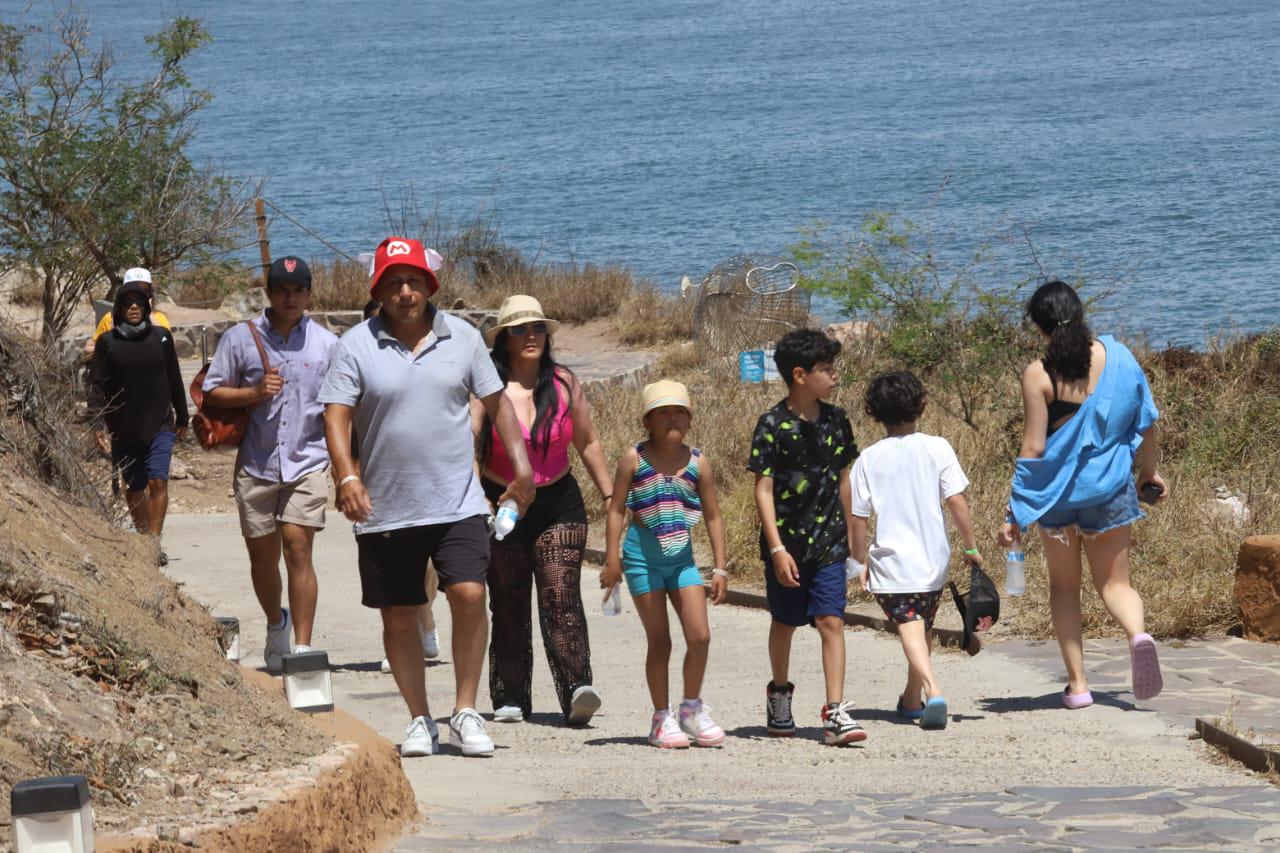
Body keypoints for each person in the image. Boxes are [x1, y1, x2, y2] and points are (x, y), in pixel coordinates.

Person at [320, 236, 534, 759]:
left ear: (430, 285)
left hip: (457, 499)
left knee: (467, 594)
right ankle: (420, 718)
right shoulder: (354, 346)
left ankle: (464, 709)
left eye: (414, 280)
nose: (406, 291)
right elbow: (335, 416)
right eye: (393, 283)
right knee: (398, 614)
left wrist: (522, 469)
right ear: (379, 290)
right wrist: (347, 477)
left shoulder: (462, 338)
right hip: (385, 506)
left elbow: (498, 404)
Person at [999, 280, 1166, 707]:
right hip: (1110, 488)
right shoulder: (1120, 358)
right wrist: (1149, 473)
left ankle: (1078, 685)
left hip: (1057, 496)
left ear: (1040, 328)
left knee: (1064, 587)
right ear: (1080, 312)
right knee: (1115, 583)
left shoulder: (1038, 374)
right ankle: (1137, 634)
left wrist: (1015, 508)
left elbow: (1034, 447)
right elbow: (1146, 421)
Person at [473, 295, 614, 726]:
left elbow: (587, 441)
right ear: (504, 339)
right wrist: (476, 498)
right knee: (510, 601)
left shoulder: (565, 383)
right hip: (503, 503)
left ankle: (576, 689)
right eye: (519, 329)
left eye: (536, 328)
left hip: (559, 502)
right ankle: (510, 695)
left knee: (561, 594)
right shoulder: (488, 387)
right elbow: (469, 443)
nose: (530, 336)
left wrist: (611, 497)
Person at [201, 256, 337, 672]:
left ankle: (301, 649)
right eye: (282, 289)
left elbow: (340, 405)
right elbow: (211, 393)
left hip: (309, 462)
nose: (290, 297)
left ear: (309, 293)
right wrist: (254, 392)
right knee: (263, 558)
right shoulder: (241, 339)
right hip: (257, 463)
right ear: (269, 293)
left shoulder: (327, 344)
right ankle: (276, 622)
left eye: (298, 290)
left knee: (299, 548)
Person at [748, 328, 865, 746]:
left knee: (831, 620)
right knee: (785, 622)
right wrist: (777, 547)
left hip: (830, 541)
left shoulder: (837, 421)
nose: (834, 377)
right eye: (826, 370)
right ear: (799, 375)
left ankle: (835, 712)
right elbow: (762, 488)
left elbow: (845, 480)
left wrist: (855, 540)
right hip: (787, 546)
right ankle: (779, 694)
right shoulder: (772, 424)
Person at [848, 371, 981, 730]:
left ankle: (933, 691)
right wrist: (970, 546)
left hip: (893, 562)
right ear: (920, 403)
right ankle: (911, 700)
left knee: (909, 626)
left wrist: (857, 562)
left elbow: (858, 518)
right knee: (921, 629)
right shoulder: (937, 446)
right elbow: (956, 501)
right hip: (934, 558)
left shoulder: (868, 459)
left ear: (874, 412)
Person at [601, 380, 729, 749]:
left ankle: (691, 710)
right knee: (660, 641)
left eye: (679, 412)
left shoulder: (698, 462)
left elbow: (713, 515)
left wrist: (719, 567)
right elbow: (616, 509)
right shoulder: (633, 458)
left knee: (700, 636)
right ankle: (661, 718)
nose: (672, 419)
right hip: (643, 560)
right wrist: (613, 559)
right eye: (663, 413)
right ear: (649, 421)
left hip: (682, 560)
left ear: (689, 420)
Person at [360, 299, 441, 674]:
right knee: (387, 564)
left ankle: (424, 620)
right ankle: (399, 636)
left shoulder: (423, 359)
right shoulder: (360, 364)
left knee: (424, 561)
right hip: (378, 480)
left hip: (427, 477)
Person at [89, 280, 188, 563]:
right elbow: (97, 386)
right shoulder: (107, 342)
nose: (133, 306)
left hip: (160, 424)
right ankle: (144, 539)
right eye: (127, 302)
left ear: (147, 306)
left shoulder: (162, 338)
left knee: (158, 481)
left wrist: (183, 416)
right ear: (118, 308)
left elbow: (174, 378)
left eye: (139, 302)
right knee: (134, 489)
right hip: (123, 428)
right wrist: (97, 424)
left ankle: (154, 544)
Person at [83, 267, 172, 356]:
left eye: (144, 290)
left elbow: (167, 344)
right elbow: (88, 348)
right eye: (133, 290)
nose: (135, 302)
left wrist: (149, 314)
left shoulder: (159, 318)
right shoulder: (110, 318)